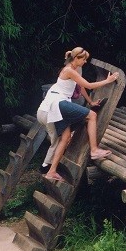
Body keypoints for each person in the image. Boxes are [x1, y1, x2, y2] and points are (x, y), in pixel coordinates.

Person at [37, 47, 119, 182]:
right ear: (76, 58)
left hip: (55, 104)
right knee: (92, 116)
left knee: (65, 137)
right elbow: (89, 85)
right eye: (83, 59)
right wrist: (108, 81)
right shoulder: (69, 70)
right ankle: (94, 150)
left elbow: (80, 87)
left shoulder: (74, 69)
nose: (85, 61)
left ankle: (51, 171)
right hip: (57, 103)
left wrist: (90, 101)